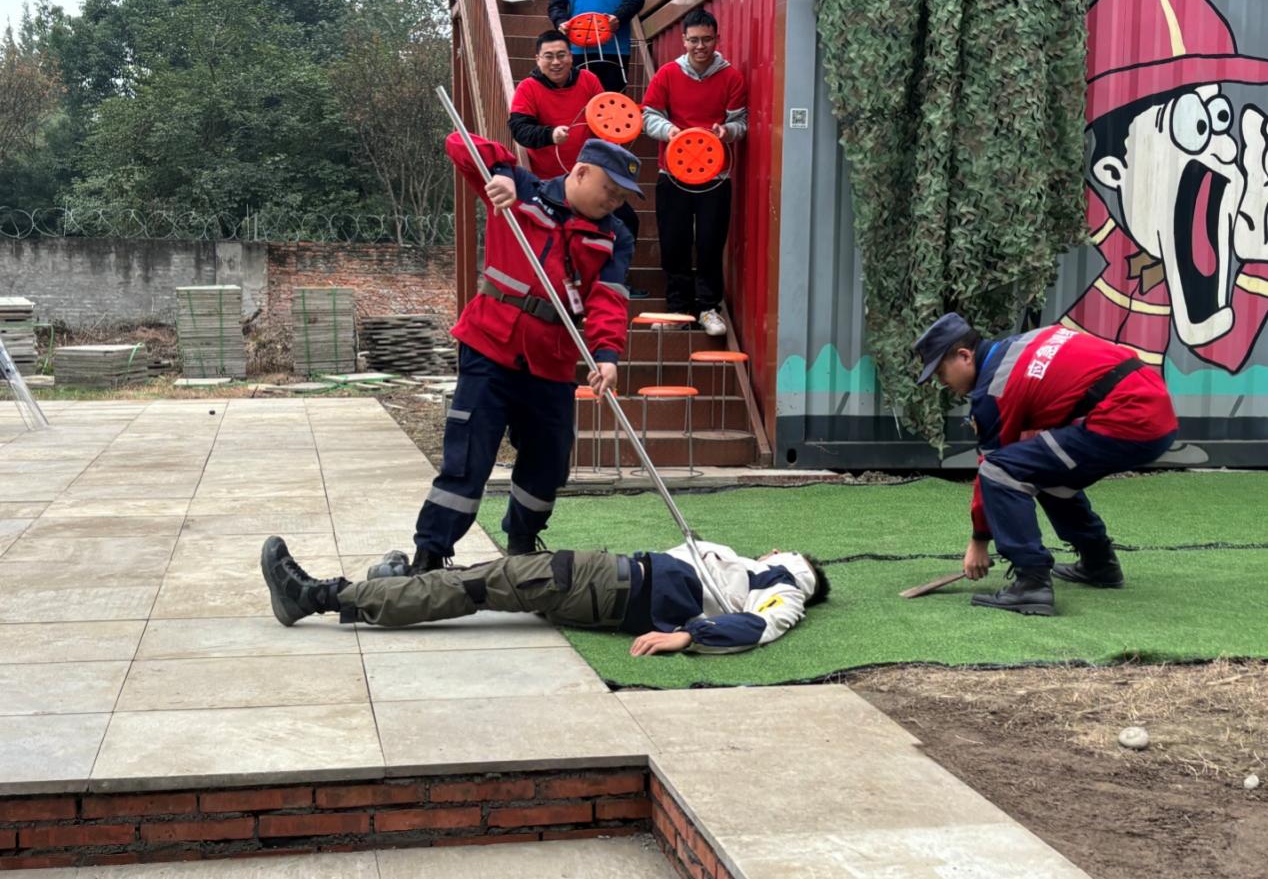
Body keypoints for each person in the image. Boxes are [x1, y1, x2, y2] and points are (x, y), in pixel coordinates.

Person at [410, 132, 640, 572]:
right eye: (609, 190)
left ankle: (521, 546)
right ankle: (430, 555)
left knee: (549, 460)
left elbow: (608, 300)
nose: (614, 201)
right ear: (581, 172)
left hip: (552, 359)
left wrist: (607, 355)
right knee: (468, 457)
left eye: (622, 196)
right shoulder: (521, 190)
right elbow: (458, 142)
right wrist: (500, 173)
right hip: (490, 345)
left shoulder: (616, 236)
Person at [913, 312, 1178, 616]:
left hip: (1128, 418)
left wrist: (979, 539)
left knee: (999, 470)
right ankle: (1098, 562)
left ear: (964, 356)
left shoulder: (993, 390)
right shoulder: (1019, 346)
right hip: (1153, 407)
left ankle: (1032, 582)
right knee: (1040, 466)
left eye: (941, 372)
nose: (941, 382)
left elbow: (993, 465)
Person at [260, 535, 830, 656]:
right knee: (484, 578)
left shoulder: (785, 589)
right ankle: (390, 584)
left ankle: (318, 597)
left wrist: (688, 635)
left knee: (474, 585)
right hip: (606, 578)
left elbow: (759, 627)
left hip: (607, 585)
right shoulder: (749, 570)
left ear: (795, 561)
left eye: (783, 551)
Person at [641, 9, 747, 337]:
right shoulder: (667, 74)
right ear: (683, 40)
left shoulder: (732, 77)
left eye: (707, 39)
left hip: (716, 177)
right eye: (694, 40)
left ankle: (708, 309)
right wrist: (670, 131)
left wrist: (727, 132)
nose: (700, 46)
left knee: (710, 243)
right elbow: (647, 116)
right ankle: (678, 310)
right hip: (672, 174)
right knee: (674, 242)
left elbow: (741, 123)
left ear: (717, 39)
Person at [509, 30, 641, 244]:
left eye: (561, 55)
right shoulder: (528, 88)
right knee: (561, 237)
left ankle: (615, 265)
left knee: (627, 222)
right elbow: (519, 129)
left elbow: (607, 116)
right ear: (538, 59)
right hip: (550, 184)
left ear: (571, 56)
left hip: (592, 178)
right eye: (549, 56)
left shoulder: (588, 80)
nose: (556, 62)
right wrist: (550, 134)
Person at [548, 0, 646, 93]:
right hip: (577, 48)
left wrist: (619, 17)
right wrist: (561, 22)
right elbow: (555, 4)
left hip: (615, 48)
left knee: (611, 98)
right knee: (577, 98)